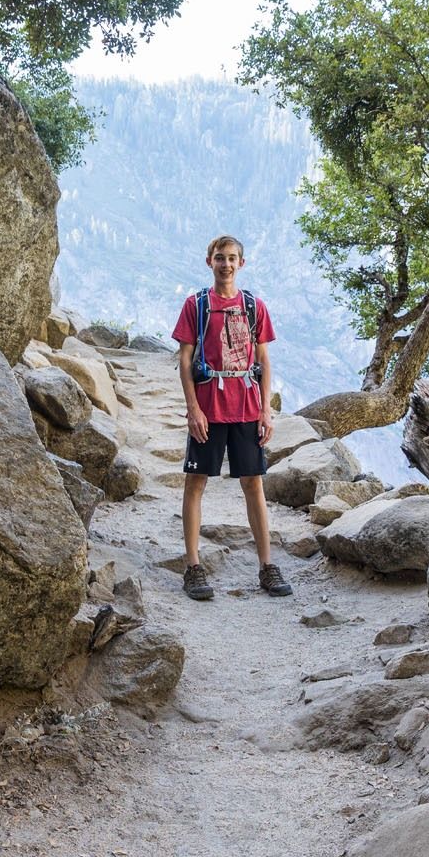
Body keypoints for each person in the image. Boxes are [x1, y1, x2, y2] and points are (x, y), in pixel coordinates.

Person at [171, 234, 291, 600]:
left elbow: (264, 360)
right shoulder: (196, 305)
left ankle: (267, 566)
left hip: (246, 405)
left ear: (242, 263)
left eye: (232, 258)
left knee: (253, 483)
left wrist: (265, 411)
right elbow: (186, 361)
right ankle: (193, 567)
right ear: (209, 261)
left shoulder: (254, 306)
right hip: (209, 407)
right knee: (196, 481)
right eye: (220, 258)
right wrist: (193, 409)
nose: (226, 264)